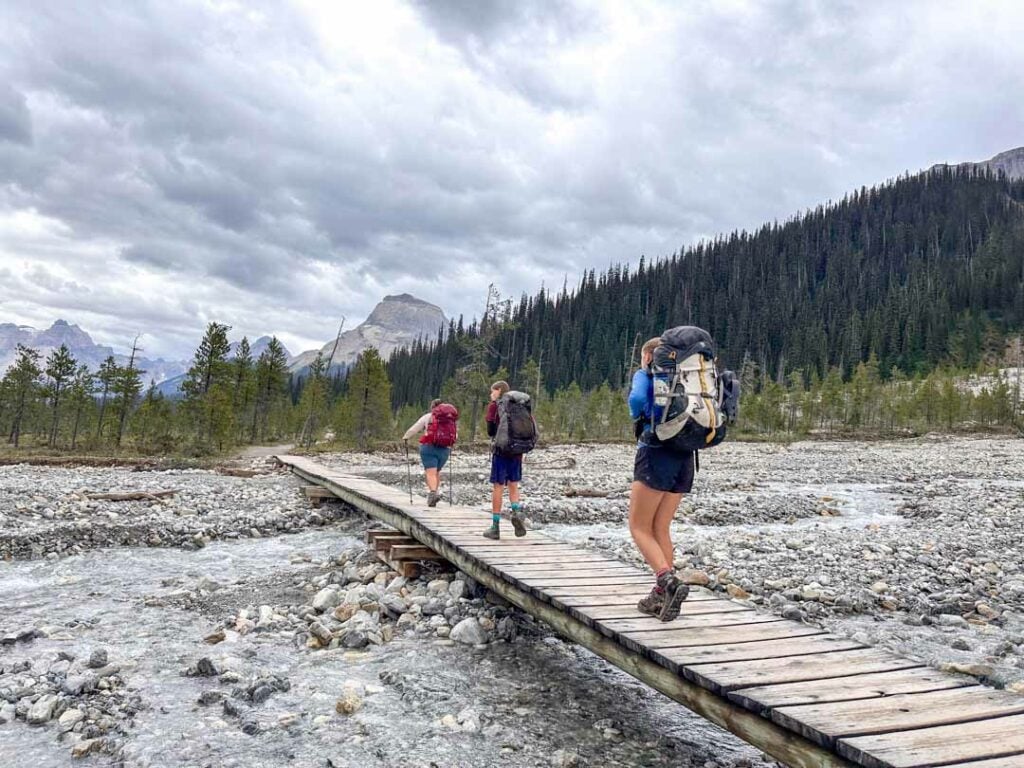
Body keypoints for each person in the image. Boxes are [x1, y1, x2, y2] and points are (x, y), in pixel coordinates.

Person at [628, 337, 693, 621]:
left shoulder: (647, 374)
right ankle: (660, 595)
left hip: (655, 452)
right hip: (686, 455)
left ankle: (668, 580)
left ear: (648, 356)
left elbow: (637, 400)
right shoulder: (687, 378)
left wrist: (638, 415)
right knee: (661, 527)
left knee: (638, 527)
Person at [482, 380, 527, 539]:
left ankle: (495, 527)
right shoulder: (519, 405)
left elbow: (490, 431)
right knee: (513, 484)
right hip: (517, 451)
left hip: (501, 451)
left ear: (499, 390)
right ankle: (516, 512)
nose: (490, 394)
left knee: (498, 486)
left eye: (492, 391)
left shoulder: (495, 406)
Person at [403, 398, 459, 507]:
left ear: (433, 407)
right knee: (437, 472)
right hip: (445, 449)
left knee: (430, 472)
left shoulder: (428, 417)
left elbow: (414, 429)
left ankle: (433, 493)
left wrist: (406, 436)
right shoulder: (450, 419)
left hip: (429, 447)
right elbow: (455, 436)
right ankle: (435, 492)